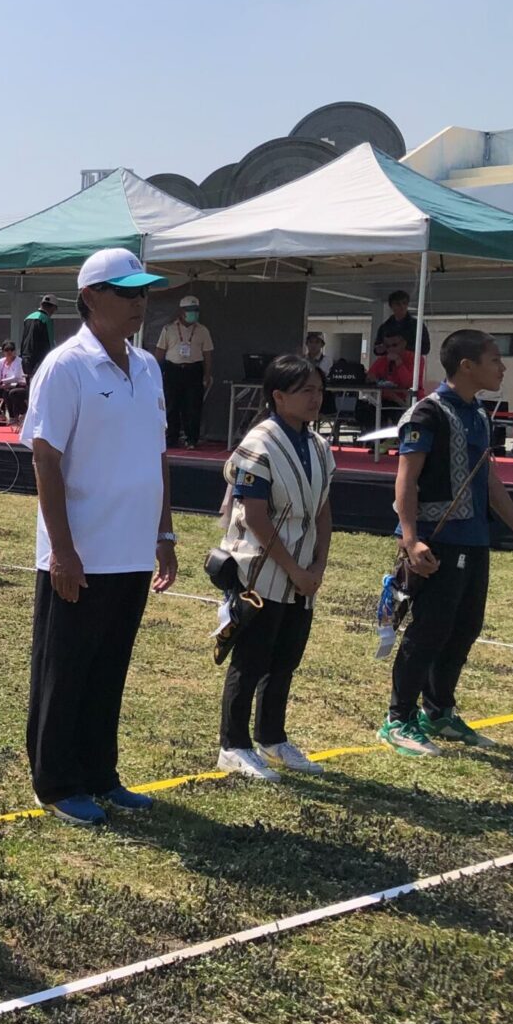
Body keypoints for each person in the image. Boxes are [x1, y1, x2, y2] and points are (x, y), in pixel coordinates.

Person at [19, 247, 178, 827]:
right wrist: (61, 549)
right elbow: (46, 460)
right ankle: (57, 782)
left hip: (132, 549)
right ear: (90, 298)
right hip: (81, 551)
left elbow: (157, 453)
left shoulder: (149, 366)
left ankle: (100, 773)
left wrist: (163, 531)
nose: (140, 302)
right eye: (127, 291)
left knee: (109, 667)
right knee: (65, 668)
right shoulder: (65, 367)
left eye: (144, 292)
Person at [381, 329, 513, 755]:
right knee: (430, 629)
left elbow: (489, 479)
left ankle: (438, 710)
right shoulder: (427, 414)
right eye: (495, 360)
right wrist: (410, 538)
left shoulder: (479, 414)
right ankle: (398, 719)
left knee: (465, 627)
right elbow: (407, 479)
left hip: (475, 539)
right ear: (466, 366)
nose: (503, 367)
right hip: (440, 540)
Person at [215, 354, 336, 781]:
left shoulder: (319, 446)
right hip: (262, 566)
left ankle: (272, 736)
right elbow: (256, 516)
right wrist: (294, 569)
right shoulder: (259, 445)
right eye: (306, 391)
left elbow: (322, 510)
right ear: (278, 396)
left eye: (319, 390)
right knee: (252, 657)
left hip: (303, 569)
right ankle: (233, 744)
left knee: (286, 656)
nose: (315, 399)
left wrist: (318, 564)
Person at [154, 294, 214, 449]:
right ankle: (171, 437)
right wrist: (155, 371)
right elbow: (160, 351)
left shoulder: (203, 330)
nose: (193, 313)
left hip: (193, 369)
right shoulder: (169, 329)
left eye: (195, 310)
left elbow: (207, 353)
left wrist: (207, 375)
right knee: (172, 405)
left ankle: (191, 439)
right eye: (190, 310)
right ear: (181, 311)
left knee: (193, 406)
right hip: (173, 369)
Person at [375, 290, 430, 360]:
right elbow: (376, 349)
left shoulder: (417, 326)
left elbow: (425, 348)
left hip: (411, 365)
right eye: (398, 304)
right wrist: (384, 347)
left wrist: (404, 346)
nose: (402, 307)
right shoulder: (384, 327)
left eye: (404, 303)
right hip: (390, 365)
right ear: (391, 306)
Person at [20, 295, 58, 379]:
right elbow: (49, 343)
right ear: (53, 308)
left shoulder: (27, 318)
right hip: (39, 362)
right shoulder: (46, 320)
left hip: (26, 360)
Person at [0, 340, 25, 422]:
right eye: (6, 350)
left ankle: (14, 416)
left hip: (16, 386)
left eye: (11, 350)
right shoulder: (0, 362)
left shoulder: (19, 361)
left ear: (14, 351)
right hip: (2, 387)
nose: (9, 352)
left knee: (9, 392)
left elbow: (16, 377)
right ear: (3, 351)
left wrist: (1, 381)